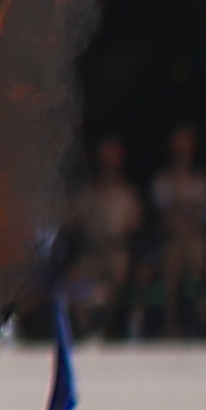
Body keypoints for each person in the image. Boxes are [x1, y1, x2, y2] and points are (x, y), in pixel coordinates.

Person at [143, 124, 206, 338]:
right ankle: (170, 329)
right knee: (170, 290)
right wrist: (183, 212)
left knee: (194, 287)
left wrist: (184, 213)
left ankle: (196, 328)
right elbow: (165, 214)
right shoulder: (163, 180)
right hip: (172, 242)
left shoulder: (199, 180)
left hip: (194, 242)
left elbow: (202, 213)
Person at [68, 136, 143, 341]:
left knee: (117, 277)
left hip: (116, 252)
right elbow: (73, 222)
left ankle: (108, 330)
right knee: (75, 280)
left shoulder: (127, 194)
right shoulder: (88, 194)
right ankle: (85, 332)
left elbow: (134, 226)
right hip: (90, 253)